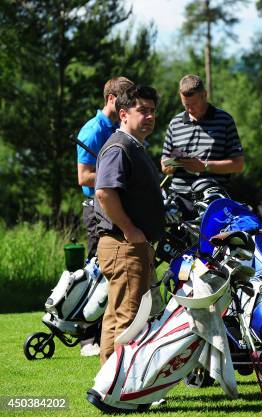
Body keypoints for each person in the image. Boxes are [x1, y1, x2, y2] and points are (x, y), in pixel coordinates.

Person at [94, 85, 164, 365]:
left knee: (117, 316)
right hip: (123, 245)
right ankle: (122, 389)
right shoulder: (119, 147)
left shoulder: (134, 146)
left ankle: (109, 382)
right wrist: (129, 229)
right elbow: (104, 192)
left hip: (131, 245)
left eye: (153, 111)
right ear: (123, 114)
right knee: (130, 319)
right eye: (142, 110)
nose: (149, 116)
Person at [75, 76, 134, 357]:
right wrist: (118, 174)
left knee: (113, 272)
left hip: (111, 205)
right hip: (94, 207)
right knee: (95, 270)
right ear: (111, 99)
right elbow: (84, 176)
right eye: (124, 101)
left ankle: (102, 333)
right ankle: (86, 337)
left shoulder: (114, 127)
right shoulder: (92, 130)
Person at [160, 74, 244, 218]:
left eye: (193, 104)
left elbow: (238, 164)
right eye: (186, 105)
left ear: (204, 95)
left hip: (213, 200)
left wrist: (205, 166)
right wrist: (174, 164)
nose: (190, 109)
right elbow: (164, 166)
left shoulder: (225, 120)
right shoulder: (175, 123)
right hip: (179, 201)